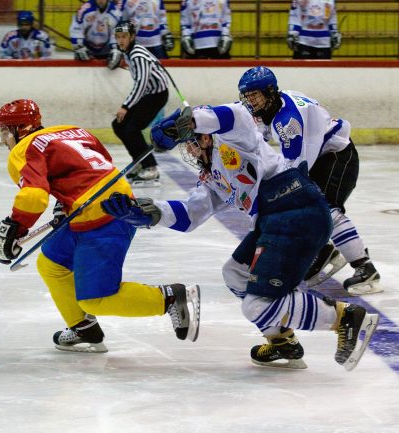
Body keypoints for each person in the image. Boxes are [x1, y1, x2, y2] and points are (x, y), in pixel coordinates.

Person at [102, 103, 379, 370]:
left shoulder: (235, 139)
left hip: (296, 211)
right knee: (235, 273)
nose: (189, 147)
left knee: (256, 305)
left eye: (192, 140)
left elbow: (235, 115)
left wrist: (190, 120)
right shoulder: (211, 176)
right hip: (274, 221)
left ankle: (345, 317)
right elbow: (190, 214)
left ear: (207, 136)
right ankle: (282, 341)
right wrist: (149, 213)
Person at [0, 98, 200, 353]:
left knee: (97, 300)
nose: (3, 139)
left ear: (18, 129)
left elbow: (34, 196)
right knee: (51, 264)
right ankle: (83, 329)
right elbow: (99, 162)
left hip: (101, 219)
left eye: (4, 132)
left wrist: (14, 229)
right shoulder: (71, 130)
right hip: (112, 203)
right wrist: (64, 202)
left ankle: (170, 297)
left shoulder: (23, 149)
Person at [237, 66, 382, 295]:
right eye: (247, 96)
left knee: (326, 209)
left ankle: (365, 267)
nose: (251, 101)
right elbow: (258, 138)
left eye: (255, 95)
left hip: (336, 157)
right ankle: (324, 251)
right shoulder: (274, 105)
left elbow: (297, 168)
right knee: (308, 206)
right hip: (320, 156)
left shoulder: (288, 121)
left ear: (269, 91)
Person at [112, 21, 169, 187]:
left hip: (156, 95)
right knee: (118, 125)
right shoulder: (129, 53)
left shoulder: (137, 55)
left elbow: (141, 84)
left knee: (131, 129)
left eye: (124, 37)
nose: (120, 40)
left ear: (132, 37)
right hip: (148, 94)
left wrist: (125, 106)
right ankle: (139, 160)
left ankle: (150, 167)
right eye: (118, 37)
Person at [69, 0, 121, 69]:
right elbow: (76, 28)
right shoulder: (85, 10)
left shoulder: (115, 12)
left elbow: (117, 32)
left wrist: (116, 49)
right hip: (86, 52)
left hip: (107, 53)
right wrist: (79, 46)